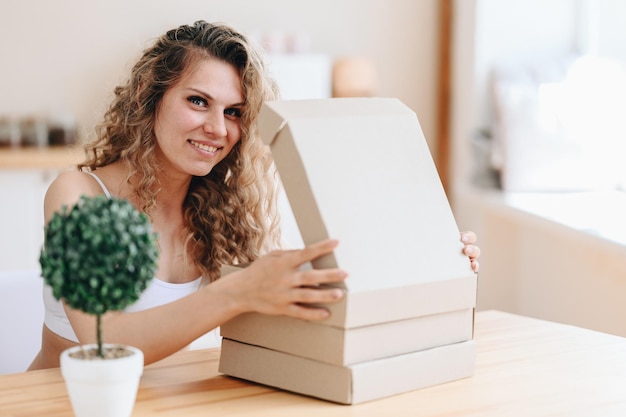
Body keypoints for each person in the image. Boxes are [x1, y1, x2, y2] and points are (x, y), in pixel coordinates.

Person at [28, 20, 480, 370]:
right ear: (150, 94)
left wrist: (424, 257)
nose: (218, 128)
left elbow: (285, 306)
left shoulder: (221, 209)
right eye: (198, 101)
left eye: (235, 112)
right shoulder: (80, 194)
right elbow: (104, 343)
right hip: (61, 405)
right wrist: (239, 291)